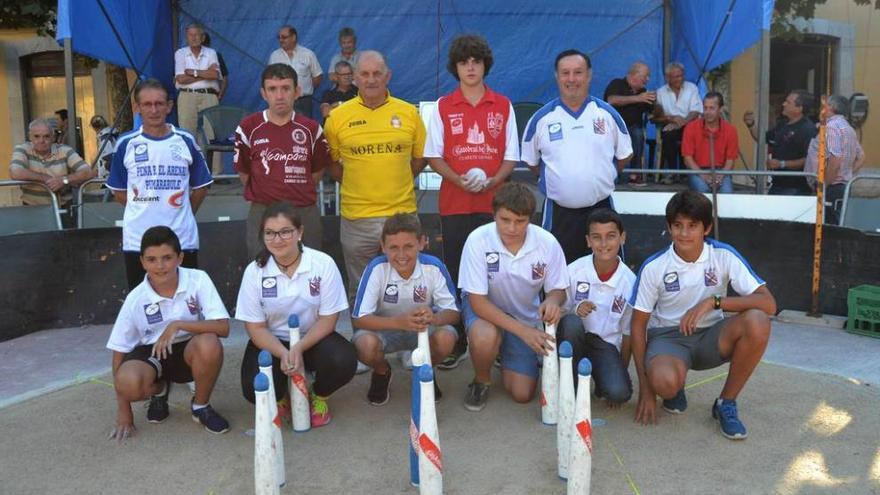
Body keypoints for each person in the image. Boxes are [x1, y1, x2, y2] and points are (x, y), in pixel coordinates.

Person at [630, 190, 776, 440]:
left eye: (692, 226)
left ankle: (726, 403)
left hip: (711, 336)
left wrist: (714, 302)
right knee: (664, 382)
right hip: (668, 338)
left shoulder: (723, 255)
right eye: (678, 226)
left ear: (706, 228)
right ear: (669, 227)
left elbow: (769, 304)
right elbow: (637, 326)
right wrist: (646, 390)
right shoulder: (655, 266)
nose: (684, 233)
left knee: (758, 321)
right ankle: (673, 388)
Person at [423, 34, 519, 370]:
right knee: (456, 272)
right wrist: (459, 179)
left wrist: (493, 181)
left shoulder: (503, 105)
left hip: (494, 205)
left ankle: (494, 339)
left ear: (484, 65)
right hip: (454, 203)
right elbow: (433, 156)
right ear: (456, 67)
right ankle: (460, 338)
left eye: (476, 61)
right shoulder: (443, 107)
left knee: (496, 274)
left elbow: (510, 157)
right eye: (464, 62)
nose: (470, 67)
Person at [235, 202, 356, 427]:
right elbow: (255, 327)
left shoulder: (323, 264)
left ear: (300, 232)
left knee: (344, 360)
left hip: (313, 338)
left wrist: (298, 348)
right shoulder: (255, 271)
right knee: (253, 387)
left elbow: (328, 319)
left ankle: (319, 395)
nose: (278, 239)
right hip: (273, 342)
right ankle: (281, 398)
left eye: (285, 232)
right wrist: (283, 353)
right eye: (270, 233)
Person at [106, 226, 231, 441]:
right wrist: (123, 410)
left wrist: (177, 324)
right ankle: (159, 390)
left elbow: (223, 327)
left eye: (167, 258)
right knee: (127, 382)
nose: (160, 266)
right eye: (152, 259)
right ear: (143, 262)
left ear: (180, 258)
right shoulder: (135, 299)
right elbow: (119, 350)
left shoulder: (198, 279)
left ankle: (200, 406)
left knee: (209, 342)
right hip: (152, 353)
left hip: (188, 350)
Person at [323, 50, 427, 303]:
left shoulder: (409, 113)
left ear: (387, 76)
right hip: (357, 219)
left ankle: (411, 341)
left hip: (401, 215)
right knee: (361, 290)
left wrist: (396, 176)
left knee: (408, 287)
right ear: (355, 78)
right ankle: (365, 343)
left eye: (377, 73)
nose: (371, 80)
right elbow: (332, 166)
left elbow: (419, 159)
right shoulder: (336, 118)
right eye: (365, 74)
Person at [458, 182, 568, 411]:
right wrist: (525, 333)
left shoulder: (547, 242)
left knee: (522, 393)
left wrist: (552, 300)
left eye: (520, 221)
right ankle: (481, 379)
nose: (512, 228)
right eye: (505, 220)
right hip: (485, 310)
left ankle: (503, 351)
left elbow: (558, 290)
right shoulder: (477, 239)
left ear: (531, 219)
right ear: (494, 215)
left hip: (523, 316)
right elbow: (477, 302)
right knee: (485, 336)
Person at [521, 49, 633, 264]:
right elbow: (530, 161)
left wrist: (603, 175)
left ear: (589, 75)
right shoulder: (542, 118)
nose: (571, 79)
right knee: (556, 274)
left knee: (609, 272)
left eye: (578, 72)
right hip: (559, 214)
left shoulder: (607, 114)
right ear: (557, 76)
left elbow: (624, 155)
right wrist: (559, 181)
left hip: (602, 209)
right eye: (565, 73)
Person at [107, 78, 213, 291]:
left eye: (159, 103)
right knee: (144, 304)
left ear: (169, 106)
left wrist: (183, 212)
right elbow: (118, 191)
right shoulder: (126, 143)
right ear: (137, 107)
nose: (153, 110)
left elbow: (201, 186)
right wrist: (144, 208)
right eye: (147, 104)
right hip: (138, 239)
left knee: (187, 302)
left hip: (182, 237)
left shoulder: (185, 140)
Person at [351, 213, 460, 405]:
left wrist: (434, 318)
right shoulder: (376, 268)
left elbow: (453, 313)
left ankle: (424, 371)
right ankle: (382, 371)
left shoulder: (433, 267)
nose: (401, 255)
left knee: (447, 337)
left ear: (421, 242)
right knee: (364, 345)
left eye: (408, 246)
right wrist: (398, 322)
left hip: (422, 329)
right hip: (385, 330)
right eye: (393, 247)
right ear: (383, 246)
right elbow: (359, 318)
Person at [234, 63, 330, 258]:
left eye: (286, 88)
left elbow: (317, 171)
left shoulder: (312, 129)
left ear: (297, 92)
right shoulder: (248, 127)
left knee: (311, 270)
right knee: (262, 272)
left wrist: (295, 191)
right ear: (263, 93)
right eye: (272, 89)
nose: (279, 96)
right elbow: (244, 172)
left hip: (303, 211)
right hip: (262, 211)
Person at [558, 208, 635, 406]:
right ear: (588, 241)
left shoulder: (630, 282)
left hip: (605, 346)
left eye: (610, 237)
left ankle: (603, 380)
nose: (603, 244)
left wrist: (621, 368)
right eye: (596, 237)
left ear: (622, 238)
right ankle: (569, 387)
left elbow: (628, 333)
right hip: (575, 338)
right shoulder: (573, 271)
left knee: (619, 393)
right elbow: (558, 315)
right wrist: (576, 309)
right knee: (572, 323)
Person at [9, 118, 94, 223]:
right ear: (30, 137)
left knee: (65, 239)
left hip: (64, 209)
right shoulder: (22, 149)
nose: (41, 140)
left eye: (46, 136)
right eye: (36, 136)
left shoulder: (65, 150)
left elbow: (88, 172)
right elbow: (15, 172)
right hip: (32, 210)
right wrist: (46, 179)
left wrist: (63, 180)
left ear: (53, 137)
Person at [804, 94, 865, 225]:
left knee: (827, 229)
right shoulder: (848, 129)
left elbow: (836, 158)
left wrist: (824, 184)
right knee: (836, 225)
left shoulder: (831, 127)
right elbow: (861, 157)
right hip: (841, 186)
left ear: (830, 107)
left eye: (823, 105)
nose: (820, 109)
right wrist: (846, 172)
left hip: (830, 187)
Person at [743, 90, 816, 196]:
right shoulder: (783, 124)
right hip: (777, 184)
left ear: (799, 108)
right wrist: (751, 125)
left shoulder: (808, 129)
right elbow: (762, 138)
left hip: (795, 188)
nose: (784, 104)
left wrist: (781, 164)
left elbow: (808, 160)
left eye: (788, 102)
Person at [604, 62, 655, 185]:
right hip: (614, 128)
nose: (648, 79)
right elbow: (612, 100)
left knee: (638, 134)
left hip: (633, 128)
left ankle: (634, 175)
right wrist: (638, 98)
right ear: (634, 75)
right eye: (645, 76)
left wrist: (657, 103)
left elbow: (652, 113)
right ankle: (611, 174)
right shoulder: (617, 83)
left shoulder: (643, 91)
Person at [653, 62, 703, 184]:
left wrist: (681, 123)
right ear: (667, 77)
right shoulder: (660, 92)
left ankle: (688, 171)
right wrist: (671, 119)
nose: (679, 79)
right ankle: (672, 172)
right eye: (675, 76)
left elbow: (695, 111)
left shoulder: (692, 88)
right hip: (670, 125)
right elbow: (655, 117)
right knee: (669, 135)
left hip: (689, 124)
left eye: (680, 75)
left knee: (688, 133)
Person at [681, 92, 738, 194]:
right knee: (703, 191)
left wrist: (721, 176)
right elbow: (687, 158)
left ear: (720, 109)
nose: (707, 112)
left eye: (712, 108)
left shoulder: (731, 130)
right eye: (705, 108)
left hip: (721, 171)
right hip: (697, 171)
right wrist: (703, 175)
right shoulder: (690, 128)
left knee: (727, 193)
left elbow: (730, 160)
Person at [173, 23, 221, 135]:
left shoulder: (211, 52)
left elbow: (214, 75)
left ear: (203, 37)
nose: (193, 38)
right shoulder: (180, 53)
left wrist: (193, 72)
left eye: (197, 35)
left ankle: (211, 153)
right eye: (190, 35)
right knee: (187, 133)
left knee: (212, 133)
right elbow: (181, 79)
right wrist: (205, 74)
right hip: (187, 95)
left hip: (209, 95)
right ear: (186, 37)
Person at [269, 25, 322, 118]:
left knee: (304, 128)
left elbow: (317, 76)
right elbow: (269, 78)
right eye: (279, 37)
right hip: (281, 101)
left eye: (284, 37)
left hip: (303, 102)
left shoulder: (308, 54)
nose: (281, 40)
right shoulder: (274, 56)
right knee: (282, 128)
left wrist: (305, 88)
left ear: (293, 37)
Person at [202, 33, 230, 101]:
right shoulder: (188, 56)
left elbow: (224, 79)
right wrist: (220, 96)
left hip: (209, 95)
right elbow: (225, 79)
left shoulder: (216, 55)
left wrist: (219, 96)